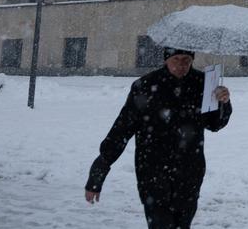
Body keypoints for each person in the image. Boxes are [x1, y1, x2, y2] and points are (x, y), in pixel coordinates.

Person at [84, 48, 232, 229]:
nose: (181, 65)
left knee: (182, 224)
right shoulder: (145, 85)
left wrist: (223, 103)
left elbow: (215, 124)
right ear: (166, 60)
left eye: (186, 60)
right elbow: (122, 129)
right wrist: (99, 170)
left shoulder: (203, 84)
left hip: (189, 169)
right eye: (176, 59)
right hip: (152, 169)